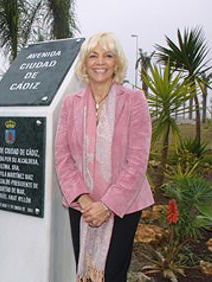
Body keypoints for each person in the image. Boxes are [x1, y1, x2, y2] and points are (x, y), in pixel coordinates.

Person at [55, 32, 154, 282]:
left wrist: (107, 205)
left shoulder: (134, 101)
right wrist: (84, 199)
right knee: (85, 270)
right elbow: (62, 155)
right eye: (93, 55)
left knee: (112, 274)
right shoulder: (70, 104)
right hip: (82, 205)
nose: (100, 62)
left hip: (123, 207)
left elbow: (137, 161)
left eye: (108, 55)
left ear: (117, 63)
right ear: (85, 64)